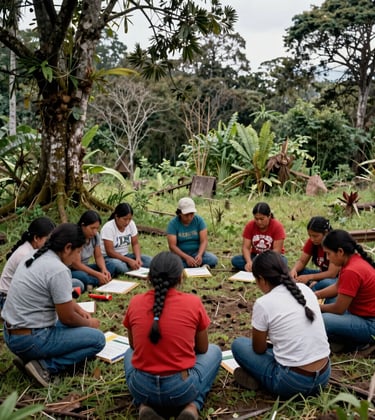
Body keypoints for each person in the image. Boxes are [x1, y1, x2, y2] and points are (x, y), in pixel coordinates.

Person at [1, 223, 106, 387]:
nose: (76, 258)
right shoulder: (59, 270)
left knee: (79, 330)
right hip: (31, 339)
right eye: (77, 252)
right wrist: (89, 323)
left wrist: (78, 309)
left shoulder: (33, 255)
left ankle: (32, 358)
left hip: (11, 334)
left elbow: (61, 299)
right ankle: (45, 367)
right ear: (67, 248)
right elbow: (67, 319)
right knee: (98, 339)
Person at [123, 251, 222, 420]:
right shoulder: (193, 303)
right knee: (215, 351)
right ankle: (192, 407)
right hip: (180, 389)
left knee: (128, 353)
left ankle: (143, 405)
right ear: (181, 278)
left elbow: (133, 346)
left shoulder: (135, 302)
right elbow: (203, 348)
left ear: (148, 278)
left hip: (142, 387)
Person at [231, 250, 330, 399]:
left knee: (238, 345)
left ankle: (260, 380)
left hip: (292, 382)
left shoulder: (263, 303)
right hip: (323, 377)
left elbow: (258, 349)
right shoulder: (306, 290)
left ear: (262, 280)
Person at [316, 229, 375, 352]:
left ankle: (359, 343)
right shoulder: (353, 260)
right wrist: (315, 295)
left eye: (328, 254)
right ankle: (344, 340)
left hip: (369, 324)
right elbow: (338, 287)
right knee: (327, 299)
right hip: (358, 313)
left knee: (323, 319)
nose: (328, 258)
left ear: (340, 252)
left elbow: (339, 309)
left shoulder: (351, 271)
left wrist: (314, 307)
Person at [0, 216, 56, 310]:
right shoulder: (25, 254)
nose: (51, 243)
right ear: (36, 238)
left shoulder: (33, 250)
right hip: (7, 299)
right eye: (47, 240)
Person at [231, 202, 286, 272]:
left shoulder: (277, 226)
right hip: (255, 256)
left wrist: (261, 261)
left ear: (269, 216)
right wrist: (249, 262)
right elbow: (245, 247)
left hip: (272, 257)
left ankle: (257, 268)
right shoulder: (250, 225)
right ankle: (261, 269)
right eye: (256, 219)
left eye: (262, 219)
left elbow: (277, 251)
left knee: (283, 262)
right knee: (236, 260)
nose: (259, 222)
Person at [100, 203, 152, 275]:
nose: (127, 222)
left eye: (130, 219)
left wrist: (138, 258)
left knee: (150, 260)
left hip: (126, 255)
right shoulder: (108, 227)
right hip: (110, 258)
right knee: (118, 265)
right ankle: (129, 268)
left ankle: (130, 267)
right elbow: (110, 252)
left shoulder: (131, 224)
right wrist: (129, 261)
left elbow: (135, 243)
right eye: (124, 219)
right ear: (116, 217)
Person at [70, 210, 116, 291]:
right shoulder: (75, 236)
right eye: (92, 228)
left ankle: (95, 281)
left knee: (111, 265)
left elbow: (98, 256)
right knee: (82, 276)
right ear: (83, 225)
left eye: (97, 228)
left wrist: (103, 269)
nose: (94, 232)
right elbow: (76, 264)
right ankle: (98, 281)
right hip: (73, 270)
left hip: (86, 268)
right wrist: (98, 275)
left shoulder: (95, 236)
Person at [290, 216, 340, 292]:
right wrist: (294, 270)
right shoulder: (312, 242)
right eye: (310, 236)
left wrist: (310, 277)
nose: (312, 239)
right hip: (323, 274)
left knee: (325, 283)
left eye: (315, 236)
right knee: (297, 273)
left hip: (337, 278)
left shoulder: (335, 244)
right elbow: (302, 261)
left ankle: (312, 291)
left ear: (326, 233)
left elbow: (332, 273)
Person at [167, 197, 218, 268]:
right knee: (171, 264)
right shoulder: (173, 224)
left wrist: (200, 255)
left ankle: (192, 264)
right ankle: (196, 265)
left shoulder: (199, 221)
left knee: (213, 259)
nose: (189, 217)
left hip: (196, 253)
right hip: (180, 255)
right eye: (186, 215)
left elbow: (204, 241)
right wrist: (186, 257)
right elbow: (172, 246)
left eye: (192, 214)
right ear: (179, 213)